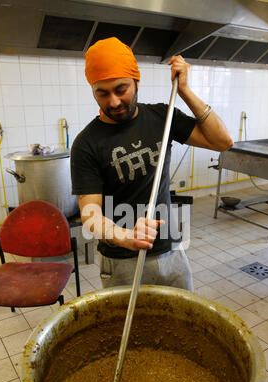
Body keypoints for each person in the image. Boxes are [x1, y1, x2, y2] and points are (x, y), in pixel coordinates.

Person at [71, 37, 233, 290]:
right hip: (122, 260)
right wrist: (126, 237)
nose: (113, 102)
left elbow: (222, 141)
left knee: (182, 324)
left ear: (136, 82)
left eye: (121, 89)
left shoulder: (162, 117)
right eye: (102, 93)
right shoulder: (87, 143)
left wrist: (185, 92)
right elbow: (90, 215)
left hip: (171, 249)